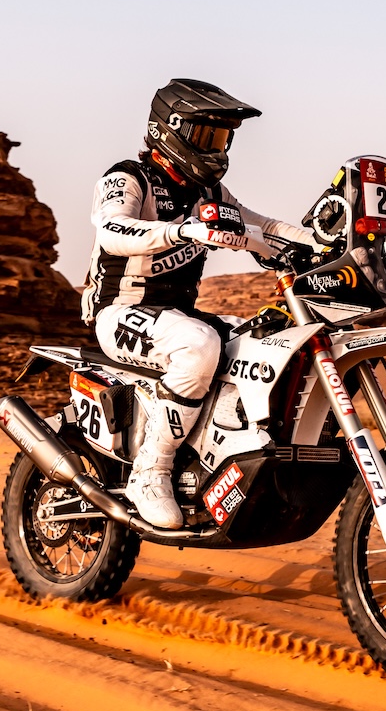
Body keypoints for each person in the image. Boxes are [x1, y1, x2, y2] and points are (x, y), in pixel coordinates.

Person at [81, 78, 324, 529]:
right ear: (169, 129)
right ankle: (150, 471)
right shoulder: (128, 178)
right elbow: (112, 230)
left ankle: (223, 457)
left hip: (178, 316)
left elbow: (264, 226)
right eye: (207, 135)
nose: (217, 148)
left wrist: (322, 243)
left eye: (222, 137)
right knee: (199, 345)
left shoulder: (209, 194)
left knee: (267, 343)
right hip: (120, 312)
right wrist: (181, 231)